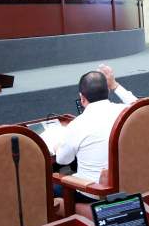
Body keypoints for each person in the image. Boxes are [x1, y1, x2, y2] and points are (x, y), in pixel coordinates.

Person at [53, 66, 137, 200]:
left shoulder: (77, 124)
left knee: (51, 186)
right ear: (108, 90)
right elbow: (139, 105)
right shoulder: (128, 112)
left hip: (94, 192)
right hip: (129, 186)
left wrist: (57, 147)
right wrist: (115, 84)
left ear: (82, 98)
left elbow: (62, 160)